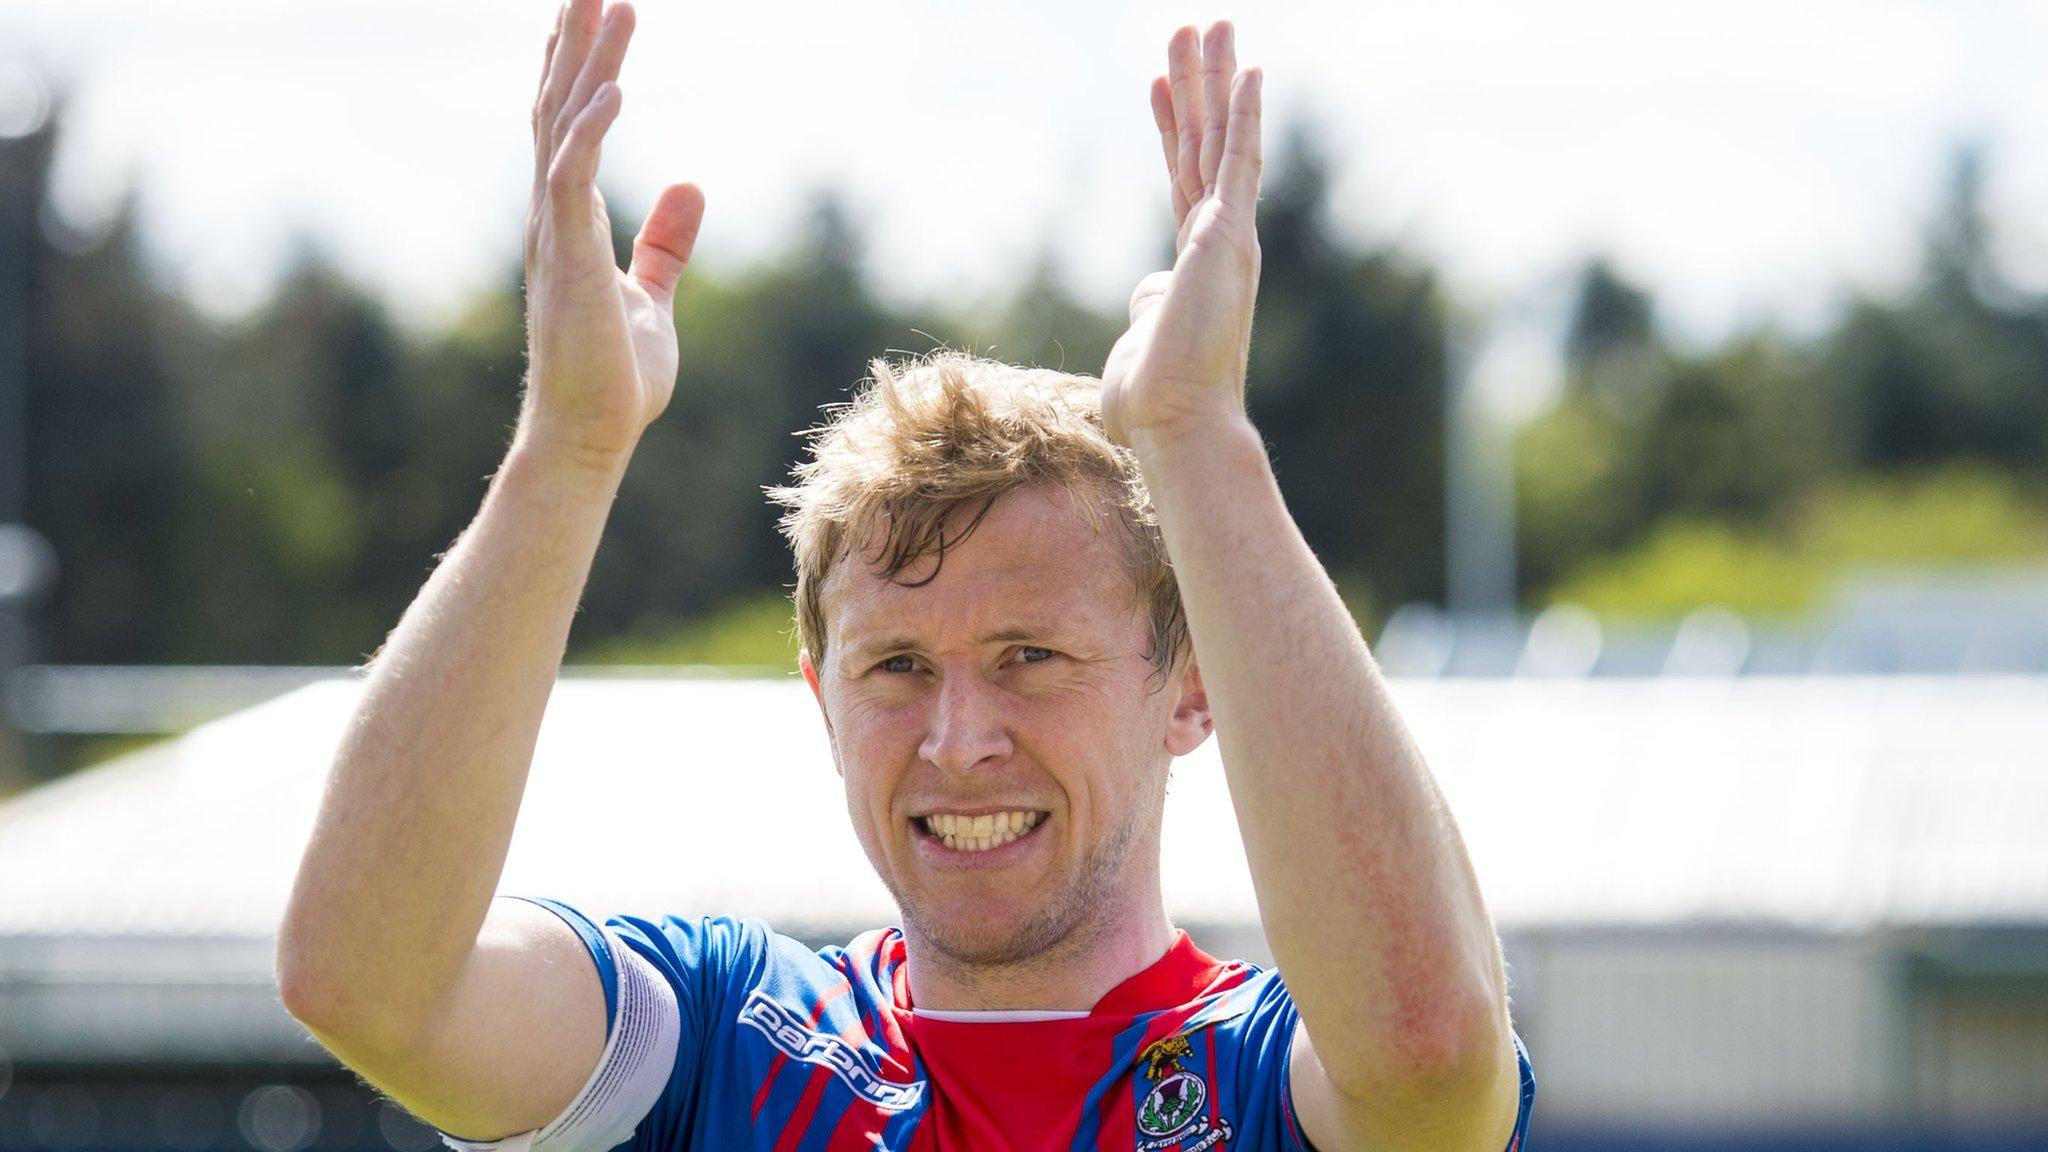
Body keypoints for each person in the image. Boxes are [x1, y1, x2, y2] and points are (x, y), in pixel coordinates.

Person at [274, 2, 1536, 1148]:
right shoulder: (724, 1041)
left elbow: (1427, 1052)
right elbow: (369, 983)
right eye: (896, 665)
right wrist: (567, 449)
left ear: (1192, 689)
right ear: (821, 698)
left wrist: (1198, 437)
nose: (957, 737)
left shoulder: (1266, 1076)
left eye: (1028, 656)